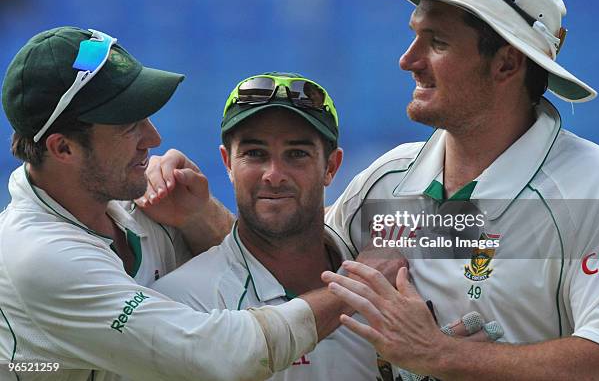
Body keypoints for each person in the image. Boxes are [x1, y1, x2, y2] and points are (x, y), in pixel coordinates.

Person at [0, 27, 397, 381]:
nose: (153, 138)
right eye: (128, 126)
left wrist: (199, 212)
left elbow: (258, 255)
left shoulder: (141, 207)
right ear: (63, 147)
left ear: (333, 166)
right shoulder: (39, 257)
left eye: (296, 154)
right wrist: (359, 285)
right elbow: (218, 357)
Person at [319, 0, 599, 380]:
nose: (408, 60)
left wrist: (441, 356)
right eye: (416, 35)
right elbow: (280, 271)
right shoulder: (387, 177)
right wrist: (198, 215)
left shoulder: (596, 188)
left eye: (437, 42)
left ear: (507, 64)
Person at [153, 72, 400, 380]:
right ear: (228, 163)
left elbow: (470, 222)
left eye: (297, 154)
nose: (274, 174)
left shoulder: (389, 256)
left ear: (331, 167)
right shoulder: (181, 302)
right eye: (255, 154)